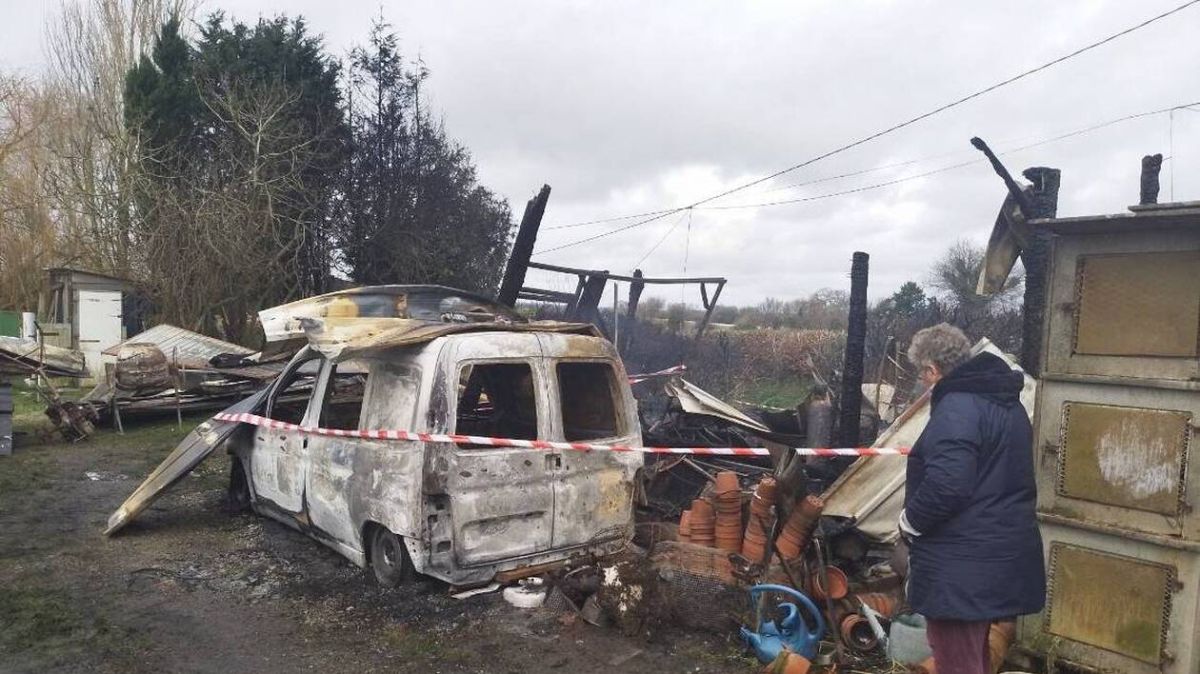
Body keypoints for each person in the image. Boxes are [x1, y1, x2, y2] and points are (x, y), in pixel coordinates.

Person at [898, 324, 1044, 674]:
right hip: (993, 557)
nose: (923, 381)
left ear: (932, 369)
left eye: (922, 373)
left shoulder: (957, 407)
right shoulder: (1005, 403)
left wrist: (910, 521)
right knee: (973, 657)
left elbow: (947, 485)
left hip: (960, 565)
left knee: (956, 662)